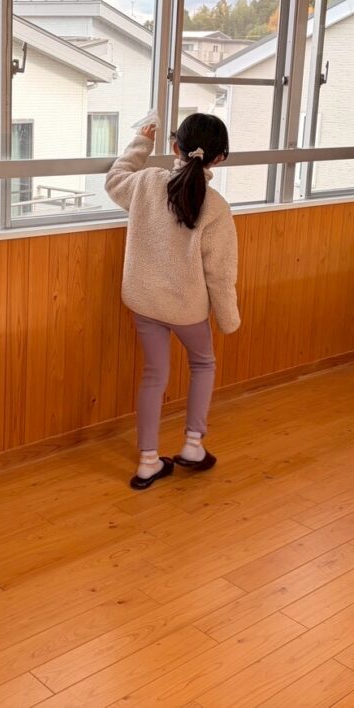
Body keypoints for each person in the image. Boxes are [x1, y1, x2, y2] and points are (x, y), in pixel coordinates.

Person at [106, 113, 241, 490]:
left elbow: (115, 180)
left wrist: (141, 142)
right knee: (203, 363)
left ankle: (148, 462)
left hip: (144, 300)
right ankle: (193, 445)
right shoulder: (216, 207)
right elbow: (220, 273)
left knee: (154, 375)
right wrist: (228, 319)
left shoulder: (147, 182)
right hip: (186, 308)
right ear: (219, 158)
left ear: (174, 146)